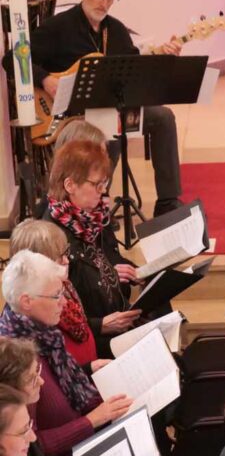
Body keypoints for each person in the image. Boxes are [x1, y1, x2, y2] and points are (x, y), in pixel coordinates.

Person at [20, 0, 184, 216]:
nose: (104, 3)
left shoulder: (116, 30)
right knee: (109, 129)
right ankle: (96, 205)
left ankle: (168, 202)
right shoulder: (58, 27)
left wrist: (164, 57)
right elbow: (14, 58)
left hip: (111, 108)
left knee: (163, 117)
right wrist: (45, 79)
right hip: (69, 115)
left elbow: (136, 71)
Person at [0, 253, 131, 456]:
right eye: (56, 296)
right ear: (27, 301)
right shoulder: (16, 360)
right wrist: (93, 419)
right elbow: (33, 448)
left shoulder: (45, 334)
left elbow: (59, 386)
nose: (64, 302)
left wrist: (89, 369)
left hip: (84, 443)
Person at [41, 140, 142, 356]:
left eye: (104, 184)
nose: (103, 192)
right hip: (94, 343)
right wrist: (100, 325)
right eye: (96, 185)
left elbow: (108, 265)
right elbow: (55, 315)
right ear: (70, 186)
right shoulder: (52, 239)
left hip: (116, 322)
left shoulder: (91, 220)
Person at [8, 219, 106, 371]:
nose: (67, 260)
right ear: (38, 262)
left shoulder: (64, 286)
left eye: (66, 252)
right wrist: (88, 369)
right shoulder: (37, 307)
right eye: (59, 256)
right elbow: (49, 379)